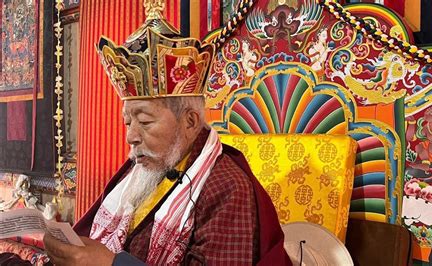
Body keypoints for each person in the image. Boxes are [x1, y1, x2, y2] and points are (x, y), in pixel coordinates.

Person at [43, 1, 290, 265]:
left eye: (145, 122)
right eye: (128, 123)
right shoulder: (145, 167)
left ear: (190, 121)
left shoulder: (226, 187)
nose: (131, 137)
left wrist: (112, 264)